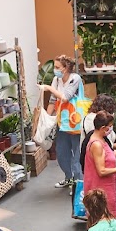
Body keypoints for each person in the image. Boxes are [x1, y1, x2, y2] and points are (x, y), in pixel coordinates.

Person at [40, 54, 85, 191]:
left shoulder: (75, 79)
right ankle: (68, 177)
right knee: (61, 152)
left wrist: (48, 88)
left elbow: (65, 97)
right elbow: (53, 101)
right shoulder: (56, 80)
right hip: (62, 122)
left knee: (77, 154)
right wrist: (47, 119)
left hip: (75, 122)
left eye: (57, 67)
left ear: (66, 68)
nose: (55, 70)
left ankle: (78, 184)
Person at [83, 112, 116, 218]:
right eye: (110, 126)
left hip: (108, 186)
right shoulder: (96, 144)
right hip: (101, 187)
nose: (111, 129)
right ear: (103, 127)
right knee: (104, 216)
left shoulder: (101, 139)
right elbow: (101, 171)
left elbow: (108, 153)